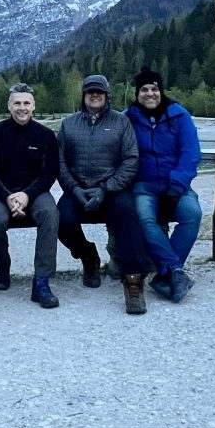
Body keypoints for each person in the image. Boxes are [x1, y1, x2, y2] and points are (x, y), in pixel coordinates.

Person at [56, 74, 149, 315]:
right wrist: (74, 189)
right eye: (90, 92)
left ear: (107, 95)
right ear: (84, 95)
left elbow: (131, 160)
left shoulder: (121, 122)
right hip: (77, 190)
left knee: (129, 216)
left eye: (100, 92)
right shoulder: (68, 124)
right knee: (61, 219)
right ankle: (89, 257)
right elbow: (60, 163)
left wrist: (106, 188)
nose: (95, 95)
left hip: (112, 190)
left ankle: (133, 280)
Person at [125, 67, 203, 303]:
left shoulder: (180, 116)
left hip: (175, 183)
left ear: (161, 91)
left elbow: (190, 154)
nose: (150, 94)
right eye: (145, 89)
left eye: (154, 89)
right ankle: (174, 271)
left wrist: (177, 185)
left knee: (192, 214)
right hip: (144, 185)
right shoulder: (127, 118)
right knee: (145, 219)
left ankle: (164, 274)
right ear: (137, 93)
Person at [0, 83, 60, 308]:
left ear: (34, 106)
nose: (22, 108)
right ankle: (3, 266)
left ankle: (41, 281)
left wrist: (26, 195)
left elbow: (48, 174)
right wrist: (7, 196)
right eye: (17, 103)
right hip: (0, 192)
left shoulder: (45, 135)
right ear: (9, 105)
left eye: (26, 103)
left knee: (50, 214)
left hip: (35, 192)